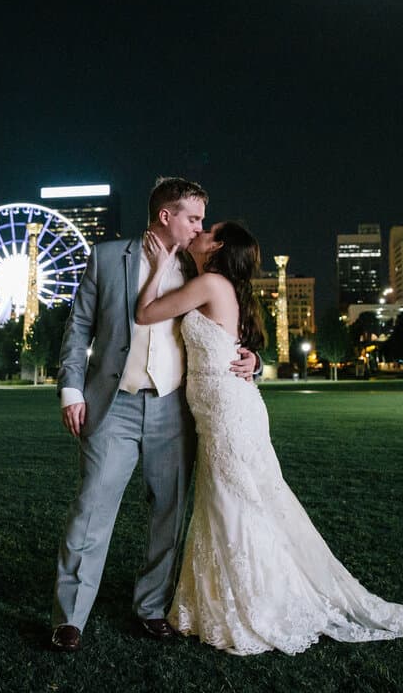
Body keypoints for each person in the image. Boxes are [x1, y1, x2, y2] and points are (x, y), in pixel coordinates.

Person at [136, 220, 403, 656]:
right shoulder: (215, 283)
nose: (198, 231)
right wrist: (253, 360)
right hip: (221, 409)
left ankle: (259, 602)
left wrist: (160, 264)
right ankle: (226, 599)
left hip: (227, 412)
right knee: (229, 501)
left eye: (208, 229)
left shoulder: (211, 283)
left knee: (233, 501)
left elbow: (145, 313)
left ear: (217, 246)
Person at [50, 177, 261, 652]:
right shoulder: (106, 258)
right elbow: (78, 326)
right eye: (193, 218)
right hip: (113, 406)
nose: (200, 227)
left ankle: (150, 607)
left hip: (175, 409)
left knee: (169, 513)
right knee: (91, 510)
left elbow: (234, 326)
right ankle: (70, 618)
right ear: (166, 215)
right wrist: (71, 390)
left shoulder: (201, 266)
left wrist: (255, 360)